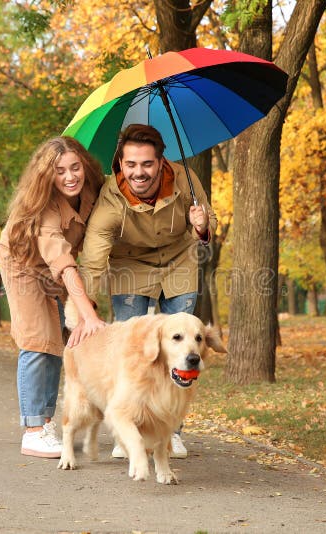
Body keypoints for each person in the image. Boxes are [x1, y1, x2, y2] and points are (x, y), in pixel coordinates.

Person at [78, 123, 218, 459]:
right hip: (131, 267)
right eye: (131, 165)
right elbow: (95, 256)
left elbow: (210, 220)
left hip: (178, 263)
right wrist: (87, 307)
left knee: (182, 350)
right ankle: (132, 431)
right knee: (135, 353)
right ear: (120, 165)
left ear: (160, 162)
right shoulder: (110, 199)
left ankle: (172, 433)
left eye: (147, 164)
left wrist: (202, 225)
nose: (139, 172)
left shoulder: (185, 180)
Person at [0, 136, 106, 458]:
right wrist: (88, 315)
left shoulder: (93, 191)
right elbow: (64, 264)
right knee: (38, 339)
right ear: (47, 175)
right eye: (60, 171)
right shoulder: (43, 209)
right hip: (23, 263)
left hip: (58, 266)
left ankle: (45, 423)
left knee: (58, 342)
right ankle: (33, 430)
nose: (70, 177)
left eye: (75, 168)